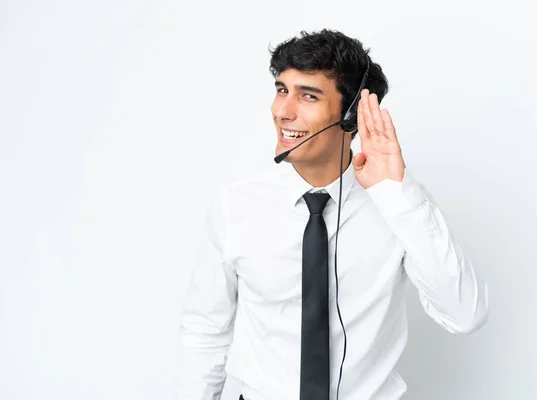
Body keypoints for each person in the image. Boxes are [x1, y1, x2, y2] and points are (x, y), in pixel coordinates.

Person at [175, 29, 489, 400]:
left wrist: (396, 195)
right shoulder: (236, 205)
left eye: (308, 95)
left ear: (351, 115)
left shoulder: (400, 205)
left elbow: (465, 314)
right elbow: (205, 331)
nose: (283, 111)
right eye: (281, 90)